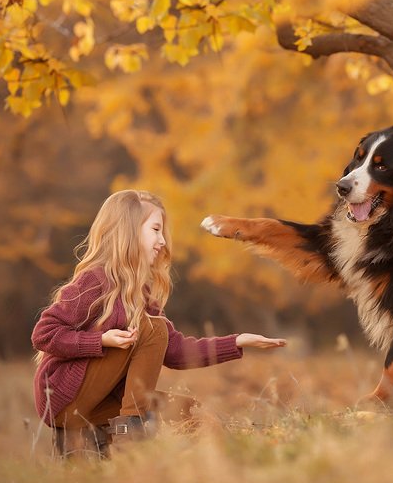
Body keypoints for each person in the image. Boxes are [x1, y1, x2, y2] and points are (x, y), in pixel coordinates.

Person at [31, 190, 286, 459]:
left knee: (190, 411)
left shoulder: (143, 291)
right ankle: (132, 433)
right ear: (128, 230)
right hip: (62, 396)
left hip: (101, 402)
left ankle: (131, 448)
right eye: (155, 229)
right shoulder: (95, 279)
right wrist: (100, 340)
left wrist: (236, 341)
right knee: (152, 328)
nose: (162, 241)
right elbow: (44, 334)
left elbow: (175, 352)